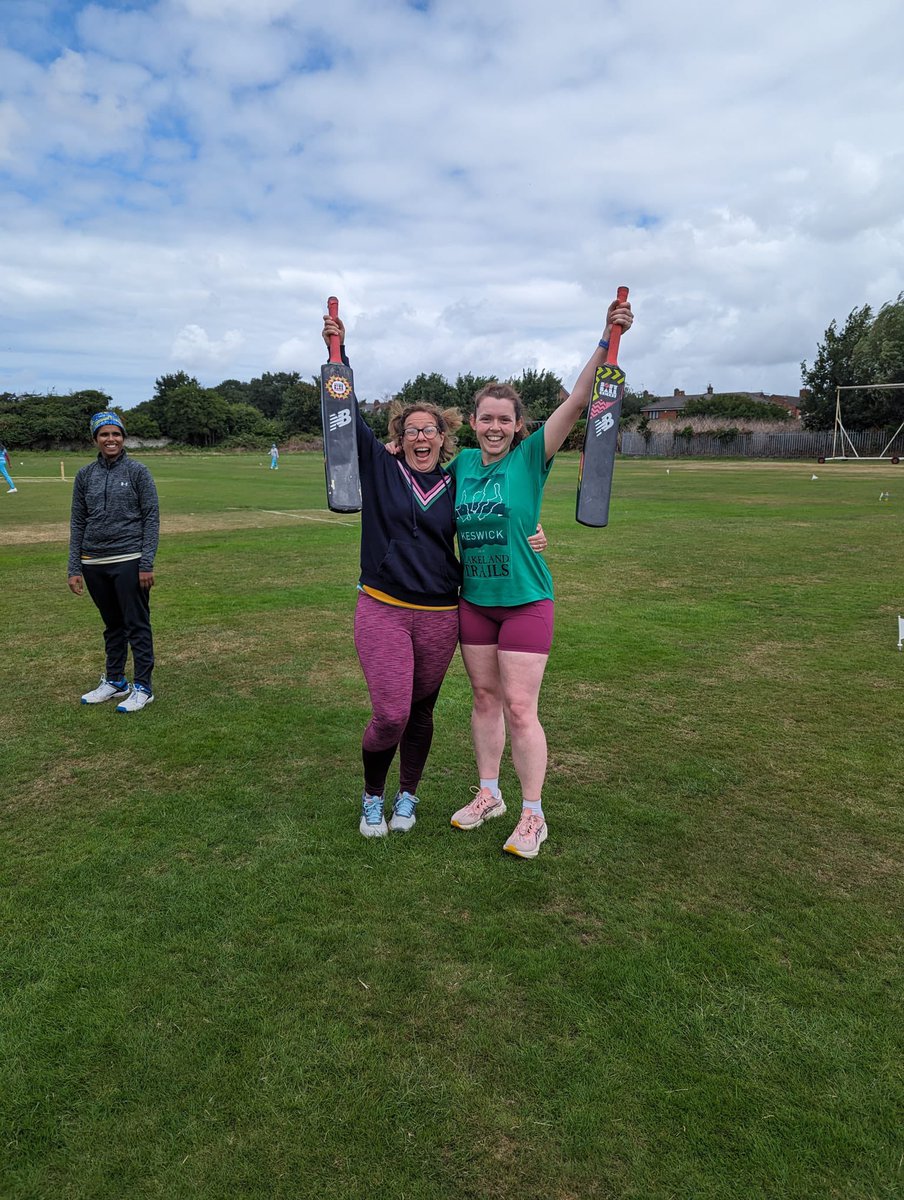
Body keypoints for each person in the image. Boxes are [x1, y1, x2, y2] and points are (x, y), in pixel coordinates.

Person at [321, 314, 547, 838]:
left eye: (430, 430)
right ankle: (372, 797)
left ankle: (408, 798)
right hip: (383, 605)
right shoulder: (381, 467)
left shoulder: (457, 479)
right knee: (391, 713)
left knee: (421, 709)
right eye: (410, 430)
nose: (421, 437)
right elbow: (345, 413)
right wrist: (338, 353)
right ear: (397, 437)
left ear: (444, 436)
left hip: (444, 612)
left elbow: (498, 512)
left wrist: (535, 532)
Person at [447, 296, 634, 858]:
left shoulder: (531, 457)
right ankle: (488, 795)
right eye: (487, 418)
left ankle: (533, 814)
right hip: (475, 600)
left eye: (506, 419)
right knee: (483, 698)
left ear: (518, 425)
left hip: (526, 599)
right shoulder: (458, 464)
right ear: (474, 422)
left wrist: (607, 337)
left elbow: (580, 400)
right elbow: (411, 460)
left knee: (520, 708)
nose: (496, 427)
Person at [67, 411, 160, 713]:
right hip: (93, 561)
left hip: (129, 559)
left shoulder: (137, 471)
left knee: (136, 624)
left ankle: (143, 687)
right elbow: (78, 521)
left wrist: (146, 563)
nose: (111, 439)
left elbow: (151, 518)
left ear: (123, 437)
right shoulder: (84, 475)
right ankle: (116, 680)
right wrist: (74, 567)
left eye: (116, 434)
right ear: (95, 439)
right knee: (112, 625)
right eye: (104, 434)